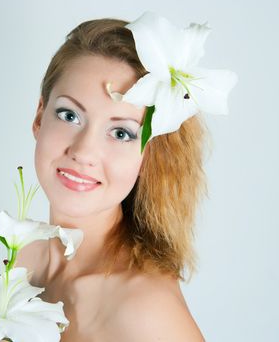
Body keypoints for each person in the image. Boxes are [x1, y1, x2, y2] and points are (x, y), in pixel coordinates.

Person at [15, 18, 208, 341]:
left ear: (149, 156)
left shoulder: (146, 309)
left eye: (121, 133)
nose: (84, 151)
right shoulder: (21, 259)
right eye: (70, 115)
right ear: (39, 116)